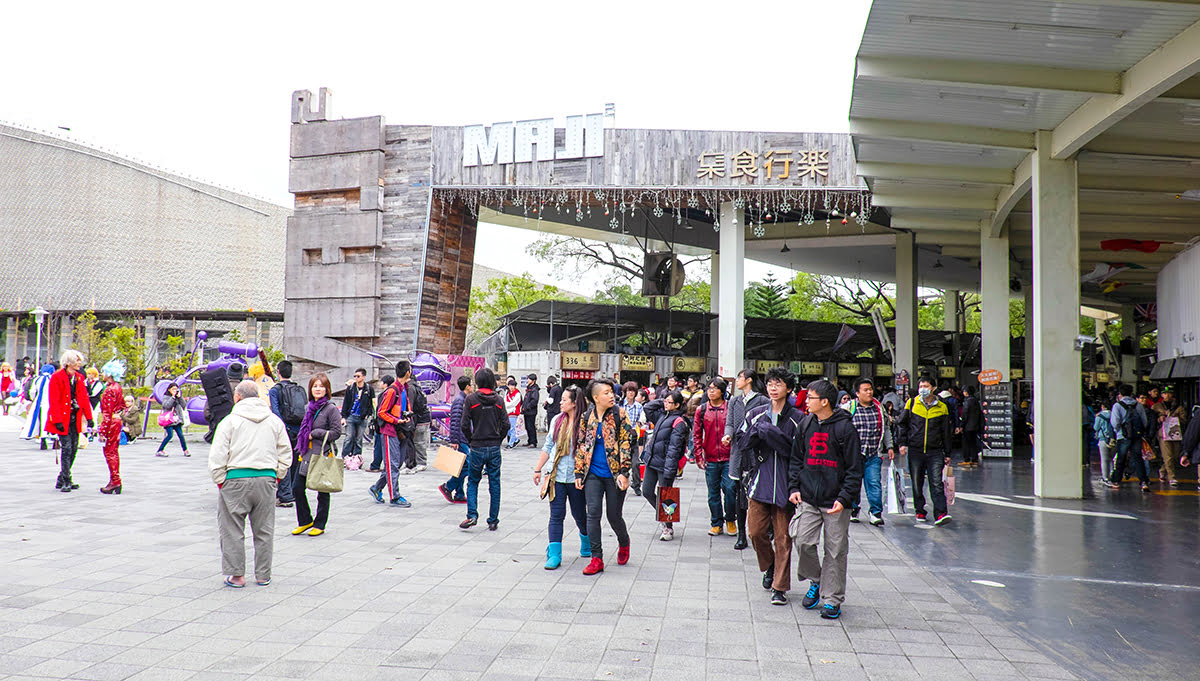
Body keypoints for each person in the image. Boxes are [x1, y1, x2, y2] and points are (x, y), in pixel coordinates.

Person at [789, 379, 864, 620]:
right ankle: (816, 580)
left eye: (810, 397)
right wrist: (794, 486)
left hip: (836, 502)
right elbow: (796, 459)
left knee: (835, 550)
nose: (806, 401)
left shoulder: (845, 429)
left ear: (824, 401)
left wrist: (845, 498)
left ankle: (832, 599)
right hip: (809, 497)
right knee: (802, 541)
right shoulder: (805, 423)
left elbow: (854, 468)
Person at [208, 380, 293, 588]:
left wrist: (220, 480)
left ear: (237, 397)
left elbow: (218, 454)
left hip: (235, 477)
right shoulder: (274, 421)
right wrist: (277, 476)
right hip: (266, 478)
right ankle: (263, 574)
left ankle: (237, 575)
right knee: (264, 530)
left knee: (232, 528)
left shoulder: (229, 421)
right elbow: (285, 453)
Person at [739, 366, 804, 606]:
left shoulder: (799, 419)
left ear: (788, 388)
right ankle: (769, 566)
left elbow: (799, 452)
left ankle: (780, 587)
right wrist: (759, 432)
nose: (773, 388)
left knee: (783, 538)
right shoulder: (755, 413)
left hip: (787, 487)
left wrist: (771, 434)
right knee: (755, 532)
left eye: (778, 384)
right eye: (769, 384)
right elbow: (742, 441)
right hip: (759, 483)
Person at [576, 377, 635, 575]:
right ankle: (596, 558)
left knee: (613, 515)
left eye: (612, 392)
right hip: (592, 474)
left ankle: (624, 542)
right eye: (606, 393)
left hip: (615, 474)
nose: (612, 395)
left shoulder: (620, 414)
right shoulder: (587, 417)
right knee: (592, 514)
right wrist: (579, 471)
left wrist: (624, 473)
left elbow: (627, 444)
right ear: (595, 397)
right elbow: (582, 444)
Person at [534, 385, 589, 568]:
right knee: (556, 515)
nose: (561, 403)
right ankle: (555, 554)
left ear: (574, 403)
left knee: (580, 514)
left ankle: (586, 541)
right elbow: (548, 446)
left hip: (577, 477)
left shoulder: (585, 423)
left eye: (565, 400)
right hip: (556, 476)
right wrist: (538, 469)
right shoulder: (557, 420)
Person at [897, 376, 953, 525]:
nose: (923, 389)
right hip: (915, 450)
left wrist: (947, 453)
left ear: (933, 388)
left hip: (935, 451)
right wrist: (902, 443)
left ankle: (941, 513)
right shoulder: (912, 403)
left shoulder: (942, 406)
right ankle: (920, 510)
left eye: (926, 386)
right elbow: (902, 424)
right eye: (921, 385)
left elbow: (946, 431)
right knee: (917, 482)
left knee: (936, 482)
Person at [291, 373, 342, 536]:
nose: (318, 389)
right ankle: (305, 521)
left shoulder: (330, 408)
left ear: (327, 389)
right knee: (297, 488)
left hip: (322, 454)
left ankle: (320, 524)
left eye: (321, 386)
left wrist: (316, 433)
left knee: (322, 489)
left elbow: (336, 432)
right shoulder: (308, 407)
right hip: (306, 453)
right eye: (315, 386)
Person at [459, 367, 509, 530]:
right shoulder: (499, 400)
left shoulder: (471, 399)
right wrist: (498, 439)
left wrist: (471, 440)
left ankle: (472, 515)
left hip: (477, 446)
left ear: (478, 381)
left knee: (473, 481)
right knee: (495, 483)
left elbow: (465, 425)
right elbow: (506, 425)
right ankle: (493, 520)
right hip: (494, 447)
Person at [726, 369, 769, 551]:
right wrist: (728, 435)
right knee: (738, 494)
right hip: (738, 452)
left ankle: (763, 529)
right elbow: (729, 423)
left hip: (756, 454)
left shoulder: (763, 401)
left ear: (749, 380)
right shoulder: (735, 401)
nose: (737, 380)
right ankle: (741, 535)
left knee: (758, 494)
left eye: (740, 377)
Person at [844, 377, 894, 526]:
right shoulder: (849, 408)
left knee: (874, 483)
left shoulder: (879, 408)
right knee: (853, 483)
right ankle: (853, 509)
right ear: (857, 393)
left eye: (870, 389)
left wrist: (890, 446)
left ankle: (875, 512)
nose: (869, 392)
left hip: (873, 454)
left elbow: (885, 429)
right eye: (865, 390)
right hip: (854, 455)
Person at [642, 391, 689, 541]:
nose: (665, 404)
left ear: (677, 405)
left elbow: (674, 448)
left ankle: (668, 527)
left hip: (665, 465)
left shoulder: (679, 422)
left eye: (670, 402)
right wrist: (663, 399)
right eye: (665, 401)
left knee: (666, 498)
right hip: (652, 461)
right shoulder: (662, 415)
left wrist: (670, 470)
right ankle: (663, 516)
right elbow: (648, 407)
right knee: (647, 491)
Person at [370, 361, 417, 508]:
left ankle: (377, 488)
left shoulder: (404, 388)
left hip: (401, 431)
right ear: (408, 372)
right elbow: (381, 412)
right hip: (390, 431)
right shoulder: (392, 390)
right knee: (393, 464)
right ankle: (395, 496)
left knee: (396, 463)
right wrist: (396, 420)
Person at [47, 350, 94, 493]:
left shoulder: (79, 378)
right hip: (62, 418)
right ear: (68, 362)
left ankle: (62, 477)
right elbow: (53, 400)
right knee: (66, 448)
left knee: (74, 448)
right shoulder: (57, 377)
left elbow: (84, 398)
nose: (79, 363)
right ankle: (67, 479)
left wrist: (89, 417)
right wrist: (57, 420)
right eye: (77, 360)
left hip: (74, 418)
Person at [694, 378, 735, 537]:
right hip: (710, 458)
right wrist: (698, 455)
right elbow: (696, 435)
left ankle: (731, 519)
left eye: (715, 388)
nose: (711, 391)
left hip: (729, 457)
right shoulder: (702, 410)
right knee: (713, 494)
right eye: (709, 388)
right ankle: (716, 523)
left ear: (722, 391)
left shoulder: (730, 408)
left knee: (730, 489)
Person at [268, 360, 306, 507]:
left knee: (284, 461)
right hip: (299, 429)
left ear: (278, 372)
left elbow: (276, 411)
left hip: (285, 429)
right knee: (296, 461)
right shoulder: (299, 389)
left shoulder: (275, 390)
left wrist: (281, 428)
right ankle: (294, 491)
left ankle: (285, 495)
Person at [1108, 384, 1149, 491]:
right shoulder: (1138, 405)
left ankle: (1116, 480)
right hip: (1137, 436)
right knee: (1138, 458)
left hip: (1123, 436)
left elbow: (1115, 423)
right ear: (1131, 394)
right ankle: (1144, 481)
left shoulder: (1117, 406)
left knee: (1121, 458)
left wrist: (1119, 432)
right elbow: (1144, 421)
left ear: (1120, 394)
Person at [438, 375, 472, 504]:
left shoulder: (463, 399)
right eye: (471, 384)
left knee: (460, 466)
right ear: (467, 386)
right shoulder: (459, 401)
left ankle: (459, 493)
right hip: (460, 438)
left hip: (463, 438)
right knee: (466, 466)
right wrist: (454, 440)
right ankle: (448, 487)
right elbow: (455, 421)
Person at [98, 359, 126, 495]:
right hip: (117, 421)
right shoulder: (117, 387)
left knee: (110, 452)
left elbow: (107, 413)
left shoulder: (109, 390)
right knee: (113, 451)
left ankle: (115, 480)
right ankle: (114, 480)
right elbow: (122, 406)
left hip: (112, 423)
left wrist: (102, 430)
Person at [340, 367, 374, 463]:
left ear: (363, 377)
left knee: (359, 439)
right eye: (354, 376)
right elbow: (346, 402)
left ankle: (357, 458)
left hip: (362, 417)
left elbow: (372, 402)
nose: (356, 378)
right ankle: (345, 457)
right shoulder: (351, 388)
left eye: (358, 376)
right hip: (351, 416)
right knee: (349, 437)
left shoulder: (369, 389)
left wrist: (369, 414)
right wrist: (343, 416)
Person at [1154, 389, 1186, 487]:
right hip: (1163, 434)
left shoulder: (1179, 408)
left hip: (1175, 434)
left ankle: (1163, 470)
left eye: (1169, 393)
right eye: (1164, 393)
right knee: (1167, 456)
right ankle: (1172, 477)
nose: (1167, 395)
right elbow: (1151, 419)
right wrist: (1159, 419)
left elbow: (1184, 420)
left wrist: (1174, 419)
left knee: (1175, 455)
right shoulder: (1157, 406)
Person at [620, 381, 646, 495]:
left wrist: (640, 423)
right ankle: (622, 480)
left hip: (634, 437)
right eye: (628, 391)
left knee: (635, 463)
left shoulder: (639, 406)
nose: (630, 393)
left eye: (632, 391)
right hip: (622, 437)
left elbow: (642, 419)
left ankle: (636, 485)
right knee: (622, 461)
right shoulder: (619, 405)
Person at [157, 383, 190, 458]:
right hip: (168, 420)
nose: (175, 391)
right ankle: (160, 450)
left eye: (176, 389)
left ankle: (185, 450)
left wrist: (180, 397)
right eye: (173, 389)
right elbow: (167, 405)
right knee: (170, 435)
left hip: (177, 419)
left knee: (181, 435)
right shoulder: (166, 397)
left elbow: (184, 405)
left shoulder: (178, 397)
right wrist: (173, 397)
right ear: (169, 390)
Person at [406, 380, 431, 473]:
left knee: (419, 442)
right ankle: (418, 462)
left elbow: (411, 407)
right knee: (418, 442)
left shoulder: (411, 388)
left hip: (420, 419)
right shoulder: (417, 387)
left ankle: (421, 462)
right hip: (423, 418)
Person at [1094, 402, 1117, 486]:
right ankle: (1112, 474)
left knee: (1104, 459)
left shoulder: (1099, 416)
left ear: (1102, 406)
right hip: (1114, 440)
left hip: (1103, 439)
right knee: (1111, 458)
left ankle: (1105, 478)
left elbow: (1095, 428)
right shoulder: (1114, 415)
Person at [959, 385, 983, 465]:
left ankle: (967, 459)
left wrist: (962, 425)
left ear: (966, 392)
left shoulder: (967, 401)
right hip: (975, 426)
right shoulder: (975, 401)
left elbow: (965, 414)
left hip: (968, 426)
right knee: (973, 443)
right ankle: (974, 459)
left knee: (966, 443)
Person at [521, 373, 540, 448]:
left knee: (531, 426)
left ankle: (533, 442)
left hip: (531, 411)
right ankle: (529, 441)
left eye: (529, 379)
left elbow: (534, 400)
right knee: (527, 427)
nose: (528, 380)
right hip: (526, 411)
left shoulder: (534, 389)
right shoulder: (529, 388)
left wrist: (527, 407)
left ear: (533, 380)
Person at [503, 377, 522, 449]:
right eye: (510, 385)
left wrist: (507, 405)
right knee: (507, 429)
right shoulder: (507, 393)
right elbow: (505, 401)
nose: (511, 387)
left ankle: (511, 444)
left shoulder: (517, 394)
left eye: (513, 386)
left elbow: (513, 403)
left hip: (514, 413)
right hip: (507, 412)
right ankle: (515, 440)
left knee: (512, 428)